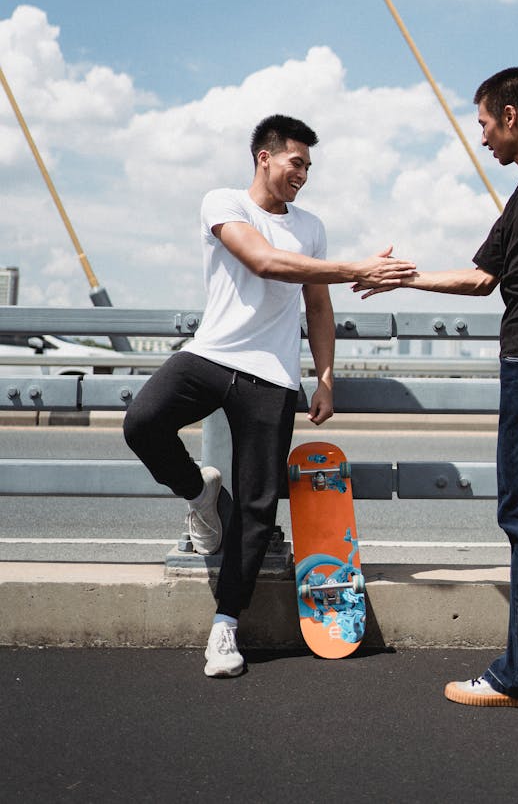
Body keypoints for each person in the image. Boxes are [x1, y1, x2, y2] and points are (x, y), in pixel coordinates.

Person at [355, 67, 518, 708]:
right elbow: (481, 279)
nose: (480, 138)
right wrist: (405, 279)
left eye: (481, 123)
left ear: (510, 115)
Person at [124, 114, 415, 678]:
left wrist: (325, 376)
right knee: (142, 423)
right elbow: (263, 261)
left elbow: (318, 305)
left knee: (258, 505)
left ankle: (225, 626)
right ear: (265, 156)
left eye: (309, 165)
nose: (303, 173)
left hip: (272, 377)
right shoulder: (224, 202)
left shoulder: (310, 226)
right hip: (210, 355)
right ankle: (199, 494)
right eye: (296, 162)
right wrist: (355, 266)